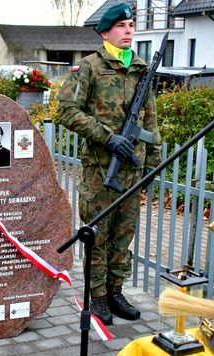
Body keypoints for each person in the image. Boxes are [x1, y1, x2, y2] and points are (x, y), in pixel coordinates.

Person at [57, 3, 162, 325]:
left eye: (131, 24)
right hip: (100, 172)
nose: (129, 30)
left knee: (122, 237)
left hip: (133, 168)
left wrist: (152, 164)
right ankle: (98, 296)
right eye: (121, 26)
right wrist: (106, 137)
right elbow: (67, 110)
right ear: (105, 32)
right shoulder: (88, 68)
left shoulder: (141, 68)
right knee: (98, 236)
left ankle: (116, 291)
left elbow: (150, 119)